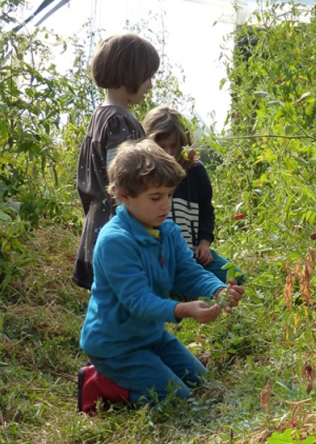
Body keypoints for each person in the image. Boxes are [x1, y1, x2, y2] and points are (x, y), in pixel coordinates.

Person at [77, 141, 244, 414]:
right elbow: (138, 301)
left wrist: (218, 290)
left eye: (169, 195)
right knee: (177, 399)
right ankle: (99, 383)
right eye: (155, 197)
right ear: (124, 195)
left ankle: (144, 371)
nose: (166, 205)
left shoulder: (167, 231)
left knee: (201, 381)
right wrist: (183, 310)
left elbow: (186, 272)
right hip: (115, 346)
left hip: (150, 334)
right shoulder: (115, 241)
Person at [73, 34, 160, 289]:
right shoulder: (120, 121)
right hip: (118, 227)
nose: (150, 85)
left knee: (105, 303)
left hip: (97, 222)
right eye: (148, 76)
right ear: (129, 74)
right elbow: (124, 183)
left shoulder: (99, 116)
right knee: (124, 304)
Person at [143, 106, 244, 286]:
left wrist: (204, 244)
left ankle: (189, 279)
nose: (168, 152)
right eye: (162, 146)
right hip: (158, 258)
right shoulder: (145, 175)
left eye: (174, 146)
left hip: (192, 253)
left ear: (184, 143)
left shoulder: (196, 172)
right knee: (172, 282)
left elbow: (206, 211)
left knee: (235, 277)